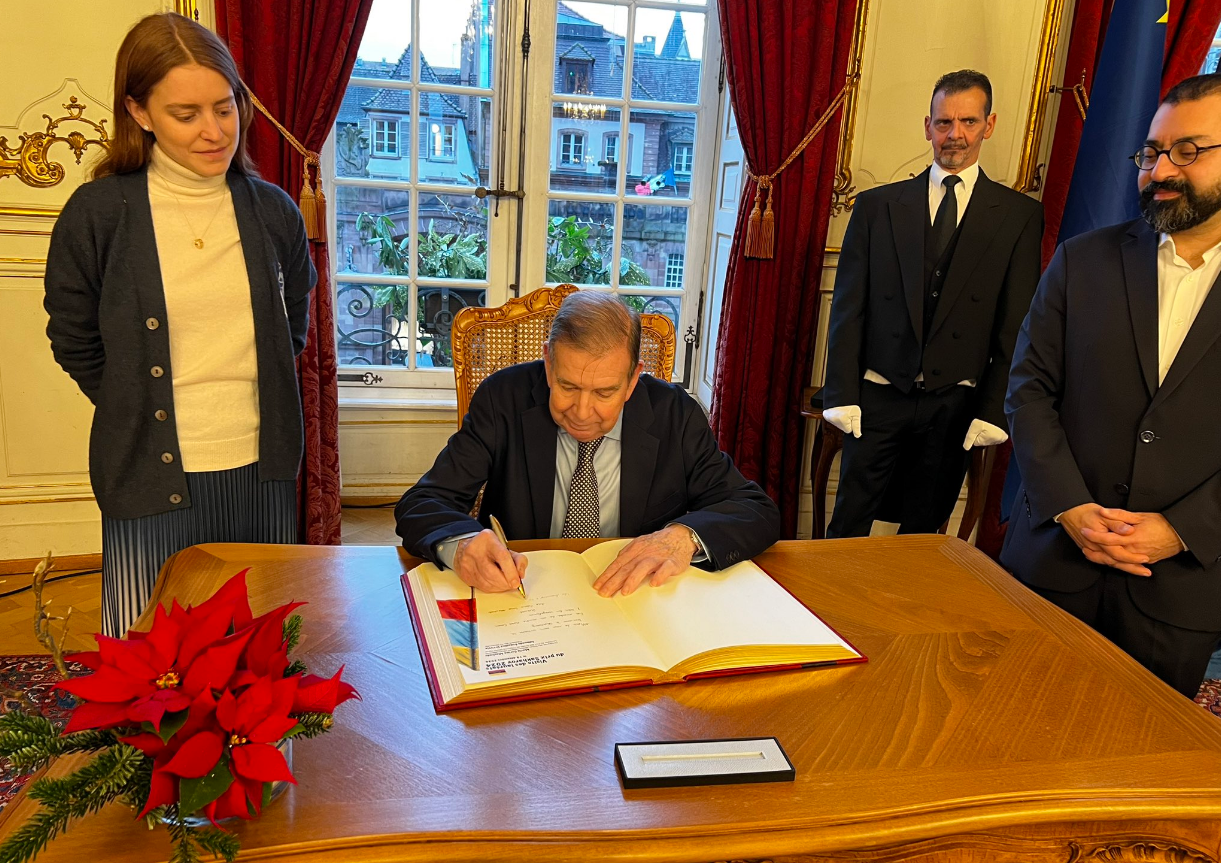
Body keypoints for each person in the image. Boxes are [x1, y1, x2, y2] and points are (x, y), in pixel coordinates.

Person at [44, 12, 316, 637]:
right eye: (185, 114)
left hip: (260, 465)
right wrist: (131, 401)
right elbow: (74, 336)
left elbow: (291, 328)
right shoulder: (99, 214)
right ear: (139, 113)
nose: (214, 131)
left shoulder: (273, 212)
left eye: (225, 108)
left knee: (256, 652)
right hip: (147, 469)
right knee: (149, 658)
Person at [1002, 74, 1221, 698]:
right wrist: (1069, 505)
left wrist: (1179, 530)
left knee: (1135, 766)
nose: (1160, 171)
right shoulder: (1083, 260)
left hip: (1181, 583)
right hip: (1052, 562)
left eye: (1189, 151)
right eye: (1152, 153)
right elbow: (1029, 389)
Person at [395, 291, 781, 597]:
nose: (582, 411)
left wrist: (683, 538)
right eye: (567, 386)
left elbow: (754, 509)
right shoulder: (504, 399)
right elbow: (422, 504)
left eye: (605, 392)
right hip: (525, 597)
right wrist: (461, 545)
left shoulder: (673, 414)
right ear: (548, 362)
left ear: (632, 380)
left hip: (637, 598)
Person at [822, 70, 1043, 537]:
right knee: (849, 520)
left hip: (954, 402)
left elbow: (1014, 324)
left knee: (924, 530)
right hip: (878, 392)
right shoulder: (877, 207)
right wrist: (842, 394)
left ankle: (906, 610)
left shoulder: (1019, 216)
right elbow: (848, 308)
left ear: (989, 124)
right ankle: (826, 608)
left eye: (967, 121)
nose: (954, 135)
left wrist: (992, 408)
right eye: (944, 123)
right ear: (928, 127)